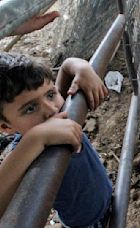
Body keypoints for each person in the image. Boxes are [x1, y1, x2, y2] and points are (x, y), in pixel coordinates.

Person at [0, 52, 112, 227]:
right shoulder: (25, 150)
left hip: (107, 200)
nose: (51, 109)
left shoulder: (54, 113)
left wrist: (79, 66)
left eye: (51, 95)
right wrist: (36, 138)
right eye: (30, 108)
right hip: (87, 223)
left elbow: (66, 71)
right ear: (6, 127)